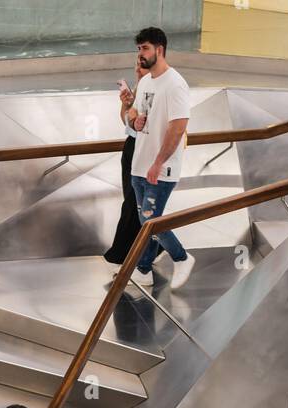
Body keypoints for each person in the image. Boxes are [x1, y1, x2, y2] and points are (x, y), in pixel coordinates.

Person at [125, 27, 195, 291]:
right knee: (147, 222)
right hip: (139, 165)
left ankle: (182, 257)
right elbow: (134, 111)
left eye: (144, 49)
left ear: (159, 50)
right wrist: (135, 118)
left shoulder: (176, 84)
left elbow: (177, 127)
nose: (140, 54)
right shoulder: (146, 81)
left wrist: (158, 163)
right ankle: (143, 270)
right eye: (138, 49)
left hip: (160, 168)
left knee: (150, 220)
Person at [103, 55, 163, 272]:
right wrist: (126, 105)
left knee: (134, 203)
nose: (138, 68)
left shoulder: (156, 90)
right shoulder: (139, 88)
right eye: (136, 65)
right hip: (131, 146)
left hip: (145, 148)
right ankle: (146, 251)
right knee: (132, 200)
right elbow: (127, 123)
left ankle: (124, 254)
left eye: (141, 65)